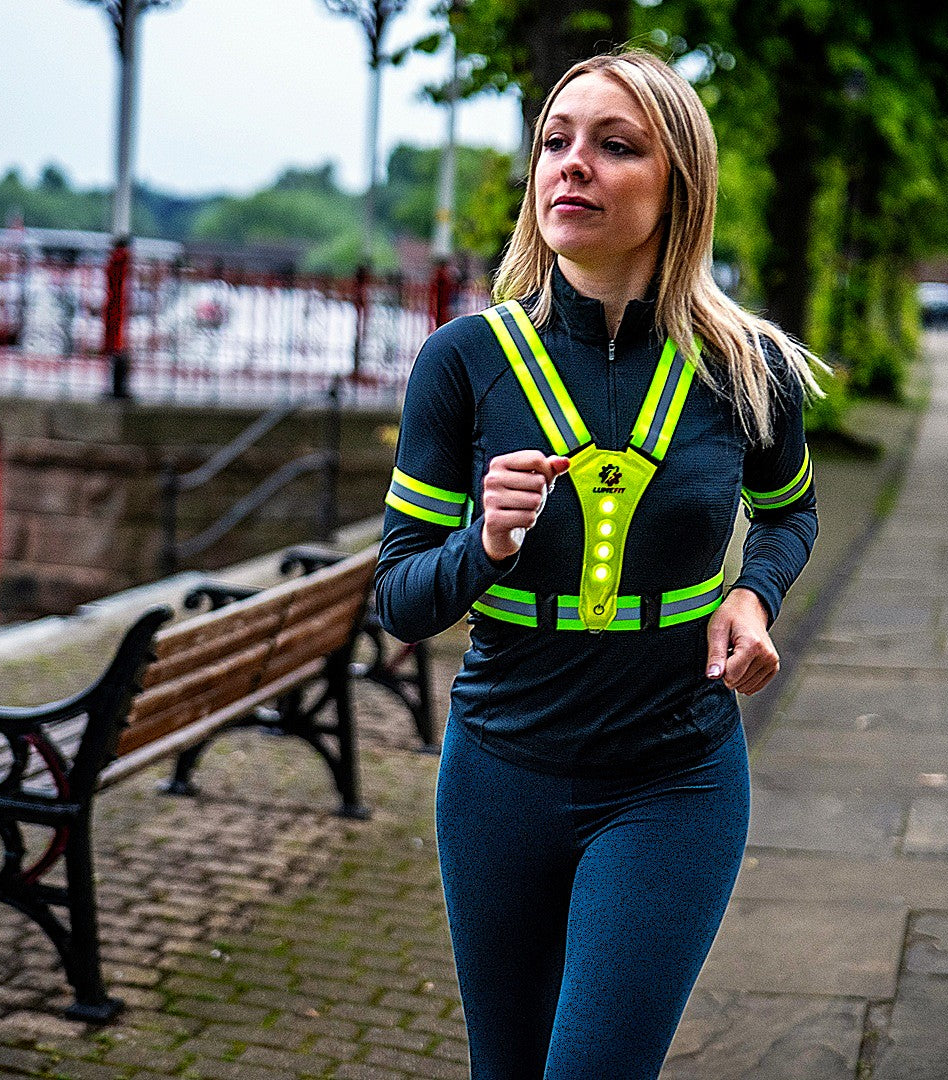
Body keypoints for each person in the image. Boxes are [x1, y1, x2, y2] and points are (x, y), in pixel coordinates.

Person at [375, 48, 822, 1080]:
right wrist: (482, 546)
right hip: (498, 775)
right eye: (555, 142)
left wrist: (755, 595)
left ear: (680, 189)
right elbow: (398, 600)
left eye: (616, 146)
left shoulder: (745, 369)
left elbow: (791, 516)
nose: (571, 165)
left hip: (674, 777)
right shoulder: (465, 363)